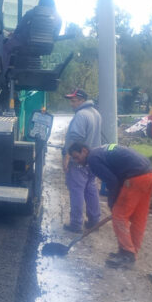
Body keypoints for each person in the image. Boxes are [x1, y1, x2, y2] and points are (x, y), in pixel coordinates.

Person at [68, 142, 152, 268]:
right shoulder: (98, 152)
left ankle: (127, 254)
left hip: (135, 177)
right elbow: (116, 179)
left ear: (84, 151)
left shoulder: (93, 159)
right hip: (149, 175)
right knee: (138, 217)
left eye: (77, 157)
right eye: (74, 159)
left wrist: (112, 202)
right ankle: (131, 252)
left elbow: (112, 182)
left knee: (119, 215)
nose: (77, 161)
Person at [61, 88, 102, 233]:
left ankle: (76, 224)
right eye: (71, 101)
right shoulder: (95, 113)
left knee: (76, 191)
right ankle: (94, 222)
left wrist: (67, 156)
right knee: (91, 188)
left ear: (82, 100)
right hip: (93, 159)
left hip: (78, 161)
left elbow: (75, 138)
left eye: (74, 101)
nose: (71, 104)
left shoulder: (81, 115)